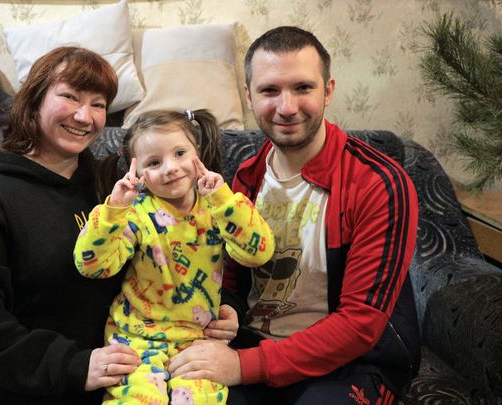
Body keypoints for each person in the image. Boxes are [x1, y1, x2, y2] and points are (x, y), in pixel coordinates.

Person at [167, 26, 421, 404]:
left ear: (328, 91)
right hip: (252, 345)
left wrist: (243, 366)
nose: (286, 107)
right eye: (270, 90)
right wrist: (227, 313)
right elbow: (233, 279)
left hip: (354, 362)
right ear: (249, 97)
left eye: (303, 88)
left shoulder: (379, 182)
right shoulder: (244, 180)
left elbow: (360, 324)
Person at [0, 46, 143, 404]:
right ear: (35, 101)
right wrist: (75, 367)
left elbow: (171, 252)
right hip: (35, 387)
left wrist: (223, 308)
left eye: (98, 104)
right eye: (70, 97)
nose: (85, 116)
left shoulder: (112, 188)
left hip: (129, 378)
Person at [74, 109, 276, 405]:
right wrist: (113, 210)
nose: (170, 168)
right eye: (154, 163)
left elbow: (259, 253)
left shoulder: (218, 206)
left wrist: (222, 200)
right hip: (136, 340)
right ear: (138, 174)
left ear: (198, 152)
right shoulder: (134, 214)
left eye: (180, 153)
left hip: (198, 342)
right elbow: (92, 266)